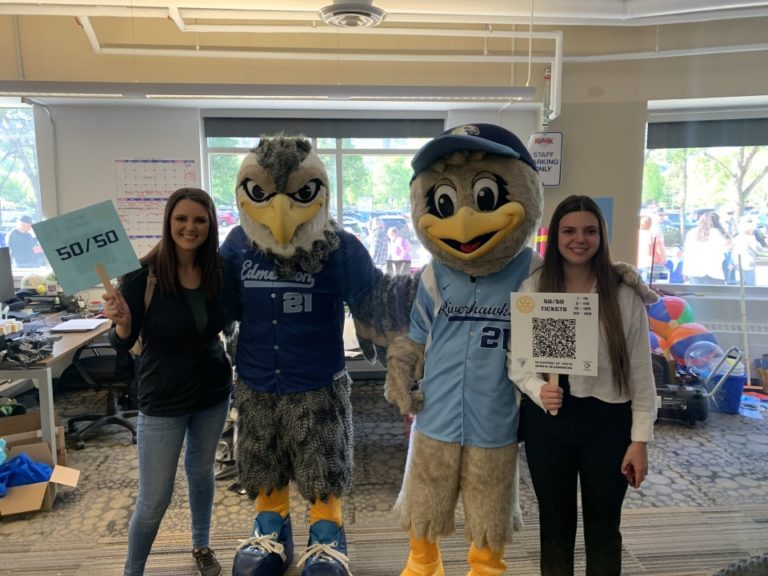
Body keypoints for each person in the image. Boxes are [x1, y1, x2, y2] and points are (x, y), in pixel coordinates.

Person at [508, 194, 657, 576]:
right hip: (551, 419)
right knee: (554, 528)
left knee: (604, 528)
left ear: (601, 236)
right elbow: (517, 361)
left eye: (590, 231)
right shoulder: (535, 288)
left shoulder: (623, 296)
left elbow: (641, 372)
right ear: (554, 236)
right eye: (569, 230)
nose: (580, 239)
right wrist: (535, 387)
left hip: (609, 423)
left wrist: (639, 440)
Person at [102, 187, 233, 576]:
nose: (190, 227)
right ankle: (133, 569)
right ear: (168, 223)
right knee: (154, 497)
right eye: (181, 219)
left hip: (212, 391)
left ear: (210, 225)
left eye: (199, 220)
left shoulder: (220, 272)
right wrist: (123, 321)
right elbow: (122, 341)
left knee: (201, 472)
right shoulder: (143, 277)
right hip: (162, 398)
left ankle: (201, 545)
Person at [683, 211, 731, 285]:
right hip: (714, 271)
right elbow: (726, 248)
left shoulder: (692, 233)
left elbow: (687, 253)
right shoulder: (718, 233)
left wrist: (685, 272)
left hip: (694, 271)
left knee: (698, 295)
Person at [731, 217, 762, 286]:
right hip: (748, 265)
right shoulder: (750, 238)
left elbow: (732, 251)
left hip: (737, 264)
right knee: (750, 287)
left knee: (740, 286)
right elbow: (758, 250)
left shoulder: (736, 237)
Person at [637, 214, 666, 282]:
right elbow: (660, 251)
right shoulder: (654, 235)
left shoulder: (635, 235)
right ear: (650, 224)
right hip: (651, 265)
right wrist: (661, 261)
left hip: (637, 264)